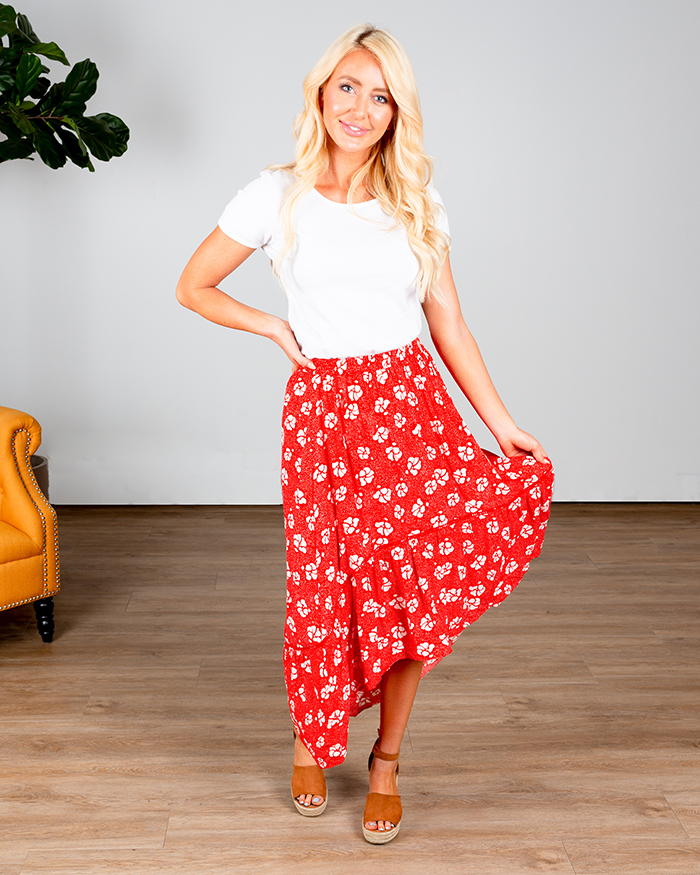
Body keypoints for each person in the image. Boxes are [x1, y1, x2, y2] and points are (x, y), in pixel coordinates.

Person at [177, 23, 554, 844]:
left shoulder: (415, 200)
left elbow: (447, 319)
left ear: (396, 113)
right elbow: (193, 285)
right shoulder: (272, 194)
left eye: (381, 96)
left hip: (410, 408)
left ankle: (385, 757)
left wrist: (503, 423)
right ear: (321, 91)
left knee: (406, 590)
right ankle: (316, 738)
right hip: (324, 418)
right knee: (324, 591)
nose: (361, 106)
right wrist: (274, 330)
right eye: (348, 86)